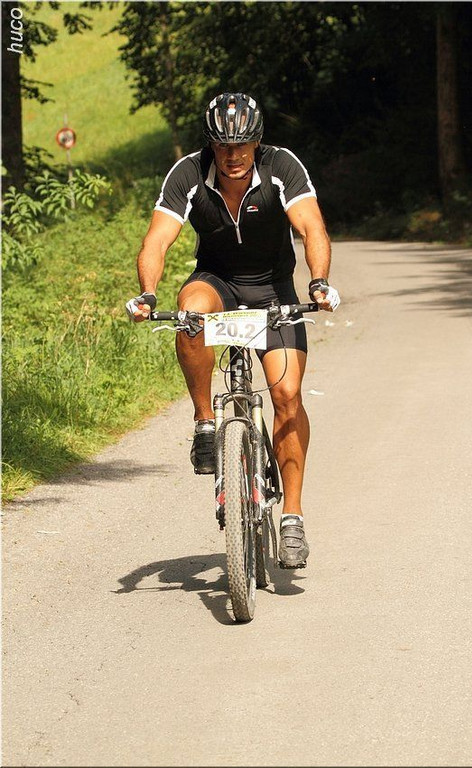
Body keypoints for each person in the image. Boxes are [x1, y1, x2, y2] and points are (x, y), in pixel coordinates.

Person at [126, 92, 340, 569]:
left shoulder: (281, 166)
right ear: (211, 145)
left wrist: (319, 282)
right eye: (223, 146)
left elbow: (312, 228)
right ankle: (205, 423)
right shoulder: (188, 173)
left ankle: (292, 517)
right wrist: (147, 293)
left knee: (287, 396)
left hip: (273, 289)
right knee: (190, 313)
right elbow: (157, 239)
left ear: (257, 141)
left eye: (242, 144)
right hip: (217, 281)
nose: (233, 155)